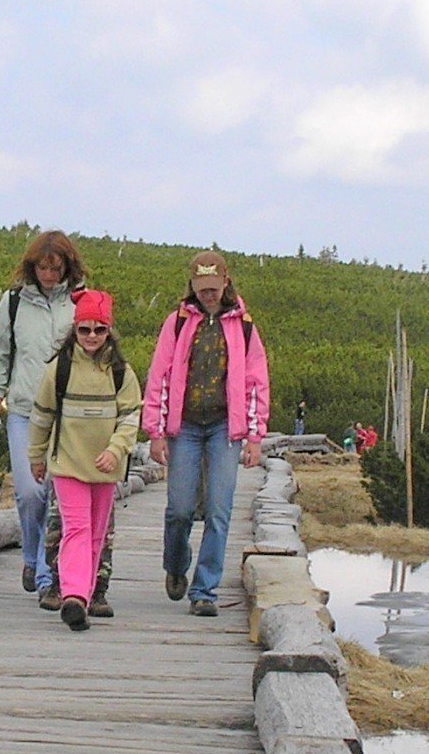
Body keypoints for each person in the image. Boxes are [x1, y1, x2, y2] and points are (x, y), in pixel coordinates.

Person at [143, 253, 271, 617]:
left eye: (214, 289)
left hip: (223, 429)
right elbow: (160, 375)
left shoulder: (244, 326)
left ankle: (205, 591)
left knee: (219, 509)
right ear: (193, 286)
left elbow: (256, 381)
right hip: (183, 427)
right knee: (180, 508)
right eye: (202, 290)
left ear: (226, 282)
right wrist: (155, 430)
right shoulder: (178, 322)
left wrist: (255, 435)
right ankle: (175, 564)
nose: (209, 296)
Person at [27, 290, 140, 632]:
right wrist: (36, 457)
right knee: (75, 528)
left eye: (99, 330)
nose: (92, 337)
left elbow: (131, 417)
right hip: (68, 464)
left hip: (106, 468)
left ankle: (84, 597)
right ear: (74, 330)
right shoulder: (58, 370)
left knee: (96, 533)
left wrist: (115, 450)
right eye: (84, 330)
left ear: (110, 332)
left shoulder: (122, 373)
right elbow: (42, 416)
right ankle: (74, 596)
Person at [0, 231, 83, 597]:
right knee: (29, 491)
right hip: (24, 410)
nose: (49, 276)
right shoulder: (12, 302)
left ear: (68, 266)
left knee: (60, 493)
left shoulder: (81, 303)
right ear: (32, 266)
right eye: (43, 267)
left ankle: (44, 573)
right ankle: (30, 555)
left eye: (56, 268)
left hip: (70, 414)